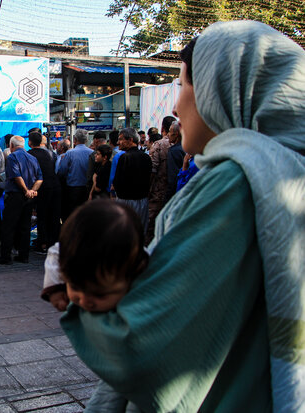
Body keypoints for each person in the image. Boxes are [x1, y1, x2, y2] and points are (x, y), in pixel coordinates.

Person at [59, 21, 305, 411]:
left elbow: (143, 348)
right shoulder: (287, 171)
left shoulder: (235, 183)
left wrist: (74, 291)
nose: (175, 106)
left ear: (223, 88)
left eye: (185, 85)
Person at [42, 199, 148, 412]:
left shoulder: (143, 273)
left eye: (100, 294)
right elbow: (57, 251)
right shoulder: (77, 257)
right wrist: (54, 287)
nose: (84, 300)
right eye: (75, 286)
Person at [0, 136, 42, 265]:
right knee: (25, 226)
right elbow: (40, 178)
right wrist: (31, 191)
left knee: (8, 226)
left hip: (16, 195)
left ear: (11, 146)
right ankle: (23, 255)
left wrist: (26, 190)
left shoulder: (12, 157)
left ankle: (6, 256)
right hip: (29, 197)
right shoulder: (33, 158)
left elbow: (16, 176)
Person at [28, 131, 60, 253]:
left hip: (42, 188)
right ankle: (52, 242)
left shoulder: (30, 155)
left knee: (42, 216)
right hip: (55, 186)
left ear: (29, 142)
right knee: (53, 216)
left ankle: (43, 243)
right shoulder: (49, 154)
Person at [57, 129, 93, 222]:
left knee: (72, 214)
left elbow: (62, 171)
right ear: (86, 140)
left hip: (73, 189)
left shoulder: (70, 153)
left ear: (75, 139)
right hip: (88, 189)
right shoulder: (92, 152)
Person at [165, 121, 185, 203]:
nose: (167, 134)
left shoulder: (174, 151)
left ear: (176, 134)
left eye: (169, 131)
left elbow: (172, 178)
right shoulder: (186, 148)